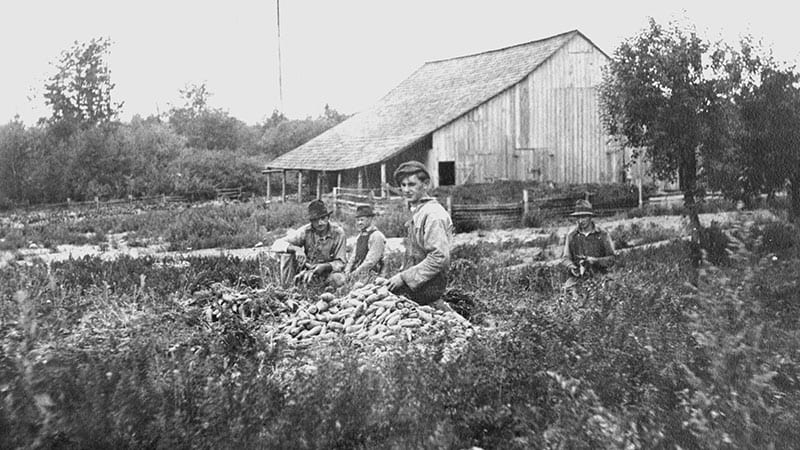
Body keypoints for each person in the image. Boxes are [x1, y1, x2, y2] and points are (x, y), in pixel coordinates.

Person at [386, 161, 454, 309]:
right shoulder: (419, 211)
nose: (406, 190)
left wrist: (404, 278)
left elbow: (439, 257)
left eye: (411, 184)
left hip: (428, 288)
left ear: (426, 184)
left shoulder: (433, 215)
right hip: (416, 285)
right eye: (403, 185)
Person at [271, 199, 347, 288]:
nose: (320, 223)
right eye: (315, 220)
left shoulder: (338, 233)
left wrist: (326, 266)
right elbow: (277, 244)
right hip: (307, 269)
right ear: (311, 221)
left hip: (328, 272)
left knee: (339, 279)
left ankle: (324, 290)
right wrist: (296, 249)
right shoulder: (306, 231)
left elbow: (341, 262)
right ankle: (288, 289)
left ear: (328, 217)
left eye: (323, 218)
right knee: (287, 255)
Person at [561, 199, 616, 283]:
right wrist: (572, 267)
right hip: (578, 277)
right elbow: (565, 258)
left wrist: (595, 261)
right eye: (578, 217)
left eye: (583, 217)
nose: (580, 221)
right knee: (567, 290)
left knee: (610, 288)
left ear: (590, 217)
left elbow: (612, 258)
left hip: (600, 275)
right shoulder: (572, 235)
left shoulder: (602, 234)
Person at [344, 204, 387, 280]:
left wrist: (355, 274)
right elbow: (353, 256)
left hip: (373, 274)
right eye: (358, 220)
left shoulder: (376, 236)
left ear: (370, 219)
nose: (359, 223)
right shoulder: (360, 236)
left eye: (362, 220)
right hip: (359, 273)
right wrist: (347, 271)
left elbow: (370, 261)